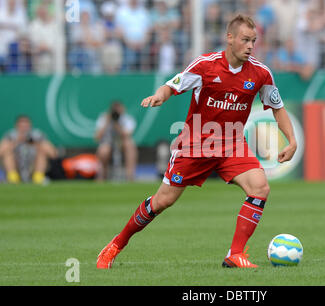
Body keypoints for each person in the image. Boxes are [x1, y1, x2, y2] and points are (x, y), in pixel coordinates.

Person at [97, 14, 297, 269]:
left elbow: (277, 108)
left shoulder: (260, 73)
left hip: (232, 144)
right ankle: (116, 244)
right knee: (163, 201)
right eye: (245, 40)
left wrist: (291, 140)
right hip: (196, 144)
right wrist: (160, 96)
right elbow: (173, 85)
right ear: (230, 38)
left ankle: (235, 254)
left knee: (260, 187)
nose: (250, 46)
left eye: (253, 41)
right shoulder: (206, 65)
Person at [0, 115, 57, 184]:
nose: (24, 129)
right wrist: (16, 142)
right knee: (7, 153)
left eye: (26, 126)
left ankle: (38, 178)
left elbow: (53, 154)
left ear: (30, 126)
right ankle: (13, 178)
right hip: (16, 166)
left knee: (42, 153)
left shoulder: (37, 135)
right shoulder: (10, 135)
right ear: (16, 126)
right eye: (21, 127)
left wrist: (35, 144)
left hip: (32, 166)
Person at [95, 101, 137, 181]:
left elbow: (127, 134)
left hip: (121, 143)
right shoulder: (104, 118)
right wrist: (107, 122)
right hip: (108, 143)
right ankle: (103, 175)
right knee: (104, 150)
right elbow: (97, 137)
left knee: (129, 145)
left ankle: (130, 176)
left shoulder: (127, 119)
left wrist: (117, 125)